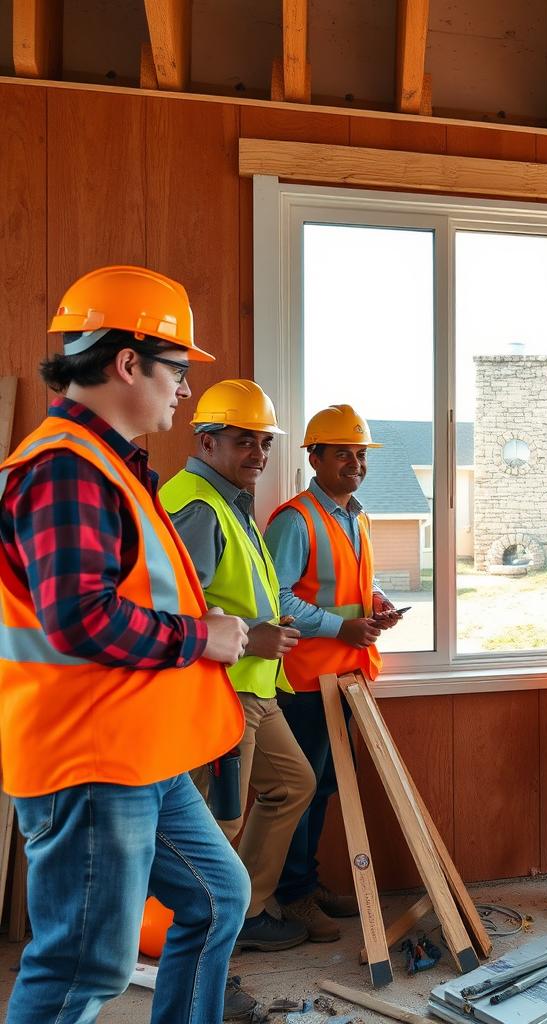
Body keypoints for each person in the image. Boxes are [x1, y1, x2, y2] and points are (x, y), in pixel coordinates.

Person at [0, 266, 255, 1022]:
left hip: (138, 751)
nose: (183, 390)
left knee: (217, 899)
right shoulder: (63, 471)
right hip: (91, 761)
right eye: (177, 370)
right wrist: (201, 638)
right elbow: (79, 617)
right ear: (126, 363)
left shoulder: (111, 466)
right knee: (84, 967)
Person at [161, 379, 316, 952]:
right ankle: (210, 941)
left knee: (293, 784)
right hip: (221, 689)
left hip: (254, 689)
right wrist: (256, 641)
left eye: (264, 443)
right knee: (217, 824)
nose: (258, 454)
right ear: (206, 441)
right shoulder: (199, 506)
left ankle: (245, 911)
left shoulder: (231, 500)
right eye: (243, 441)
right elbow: (181, 616)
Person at [264, 404, 402, 941]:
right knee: (301, 790)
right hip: (303, 681)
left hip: (345, 679)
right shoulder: (295, 520)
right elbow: (274, 599)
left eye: (360, 453)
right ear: (314, 456)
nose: (355, 462)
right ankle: (291, 896)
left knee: (321, 787)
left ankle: (307, 882)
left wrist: (374, 599)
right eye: (342, 452)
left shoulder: (356, 516)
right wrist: (339, 628)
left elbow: (344, 585)